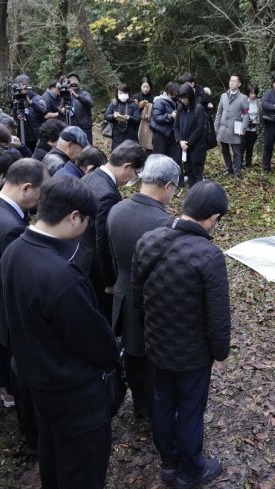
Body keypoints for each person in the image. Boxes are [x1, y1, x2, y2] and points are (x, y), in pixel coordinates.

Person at [0, 176, 120, 489]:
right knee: (82, 469)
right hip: (74, 393)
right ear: (74, 217)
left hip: (38, 380)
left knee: (53, 456)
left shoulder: (14, 250)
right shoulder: (61, 277)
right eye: (87, 220)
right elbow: (96, 341)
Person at [132, 181, 232, 488]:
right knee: (190, 409)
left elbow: (138, 297)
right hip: (192, 354)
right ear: (213, 217)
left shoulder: (148, 240)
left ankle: (169, 462)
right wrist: (220, 353)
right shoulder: (209, 255)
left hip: (157, 344)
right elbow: (217, 316)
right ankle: (191, 470)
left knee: (162, 401)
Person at [0, 158, 48, 446]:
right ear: (26, 188)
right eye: (42, 191)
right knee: (25, 380)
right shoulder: (9, 227)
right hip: (12, 316)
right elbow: (21, 279)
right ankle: (33, 437)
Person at [107, 154, 178, 420]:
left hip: (123, 292)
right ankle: (153, 409)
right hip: (153, 302)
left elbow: (110, 254)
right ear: (168, 186)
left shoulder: (117, 209)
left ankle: (139, 404)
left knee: (132, 355)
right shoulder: (165, 225)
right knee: (153, 361)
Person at [79, 140, 147, 320]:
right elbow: (103, 240)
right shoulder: (108, 194)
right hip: (95, 266)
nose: (131, 179)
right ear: (127, 166)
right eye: (134, 173)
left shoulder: (90, 176)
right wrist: (109, 280)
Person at [214, 74, 249, 178]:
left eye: (234, 81)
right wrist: (216, 125)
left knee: (237, 152)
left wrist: (243, 128)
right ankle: (228, 168)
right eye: (230, 81)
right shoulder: (224, 96)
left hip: (235, 129)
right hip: (223, 128)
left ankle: (237, 172)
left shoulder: (243, 98)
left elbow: (246, 114)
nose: (231, 83)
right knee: (224, 150)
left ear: (239, 84)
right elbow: (219, 112)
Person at [174, 83, 208, 188]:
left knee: (197, 173)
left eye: (185, 98)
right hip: (183, 147)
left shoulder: (199, 108)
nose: (183, 100)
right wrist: (180, 141)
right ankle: (192, 193)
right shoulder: (180, 109)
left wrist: (188, 143)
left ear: (190, 96)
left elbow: (200, 129)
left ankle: (199, 195)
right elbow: (176, 126)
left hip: (196, 147)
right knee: (188, 172)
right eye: (181, 98)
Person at [10, 74, 48, 151]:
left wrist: (30, 102)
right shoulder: (16, 99)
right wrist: (14, 102)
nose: (23, 87)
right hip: (23, 135)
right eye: (20, 84)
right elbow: (15, 117)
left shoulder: (36, 98)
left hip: (36, 136)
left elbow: (43, 110)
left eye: (25, 84)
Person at [150, 82, 180, 164]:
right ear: (169, 92)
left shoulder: (175, 102)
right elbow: (157, 117)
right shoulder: (159, 101)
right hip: (160, 135)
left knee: (174, 160)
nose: (176, 94)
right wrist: (171, 116)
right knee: (159, 161)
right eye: (175, 92)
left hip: (171, 135)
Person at [104, 83, 141, 150]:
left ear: (128, 93)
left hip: (130, 135)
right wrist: (113, 116)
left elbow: (138, 119)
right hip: (117, 135)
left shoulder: (133, 104)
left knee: (130, 154)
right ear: (117, 94)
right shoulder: (114, 103)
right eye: (120, 93)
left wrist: (130, 118)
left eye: (124, 93)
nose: (122, 95)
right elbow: (106, 116)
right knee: (117, 154)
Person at [65, 73, 95, 144]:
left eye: (75, 80)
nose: (73, 82)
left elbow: (90, 104)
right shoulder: (65, 95)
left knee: (86, 150)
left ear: (79, 82)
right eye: (71, 80)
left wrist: (77, 96)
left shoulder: (85, 94)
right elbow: (61, 109)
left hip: (85, 128)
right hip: (71, 128)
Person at [241, 83, 260, 169]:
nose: (253, 95)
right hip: (244, 127)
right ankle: (239, 164)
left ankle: (248, 164)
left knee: (250, 147)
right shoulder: (243, 101)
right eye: (251, 93)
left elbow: (261, 114)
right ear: (248, 93)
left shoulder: (259, 102)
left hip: (254, 128)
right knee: (242, 146)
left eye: (254, 93)